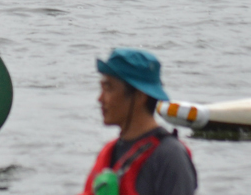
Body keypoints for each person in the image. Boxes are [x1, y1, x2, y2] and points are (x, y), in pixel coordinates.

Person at [79, 48, 197, 195]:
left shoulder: (170, 157)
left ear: (140, 96)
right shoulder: (110, 151)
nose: (100, 98)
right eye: (102, 88)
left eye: (109, 88)